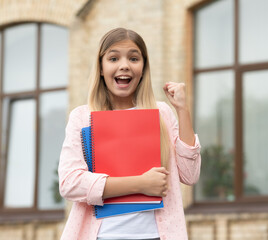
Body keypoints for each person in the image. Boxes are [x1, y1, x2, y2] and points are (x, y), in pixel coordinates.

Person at [58, 28, 201, 240]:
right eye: (113, 58)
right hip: (101, 236)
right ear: (101, 67)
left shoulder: (162, 113)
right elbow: (70, 184)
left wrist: (182, 110)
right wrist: (141, 183)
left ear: (143, 68)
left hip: (156, 235)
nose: (124, 65)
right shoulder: (82, 117)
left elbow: (190, 175)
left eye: (134, 58)